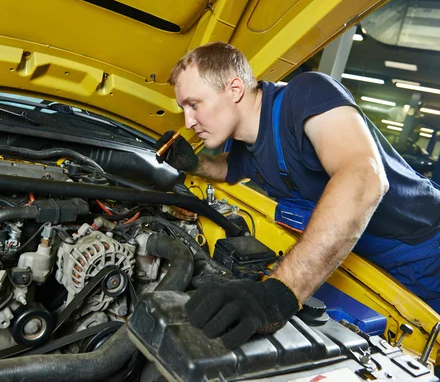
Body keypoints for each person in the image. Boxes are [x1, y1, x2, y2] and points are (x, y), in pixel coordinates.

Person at [155, 41, 440, 349]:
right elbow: (227, 169)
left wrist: (280, 292)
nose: (188, 121)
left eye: (194, 104)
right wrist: (195, 164)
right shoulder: (246, 143)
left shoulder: (305, 95)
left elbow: (364, 177)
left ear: (234, 89)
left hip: (425, 253)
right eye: (183, 109)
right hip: (359, 261)